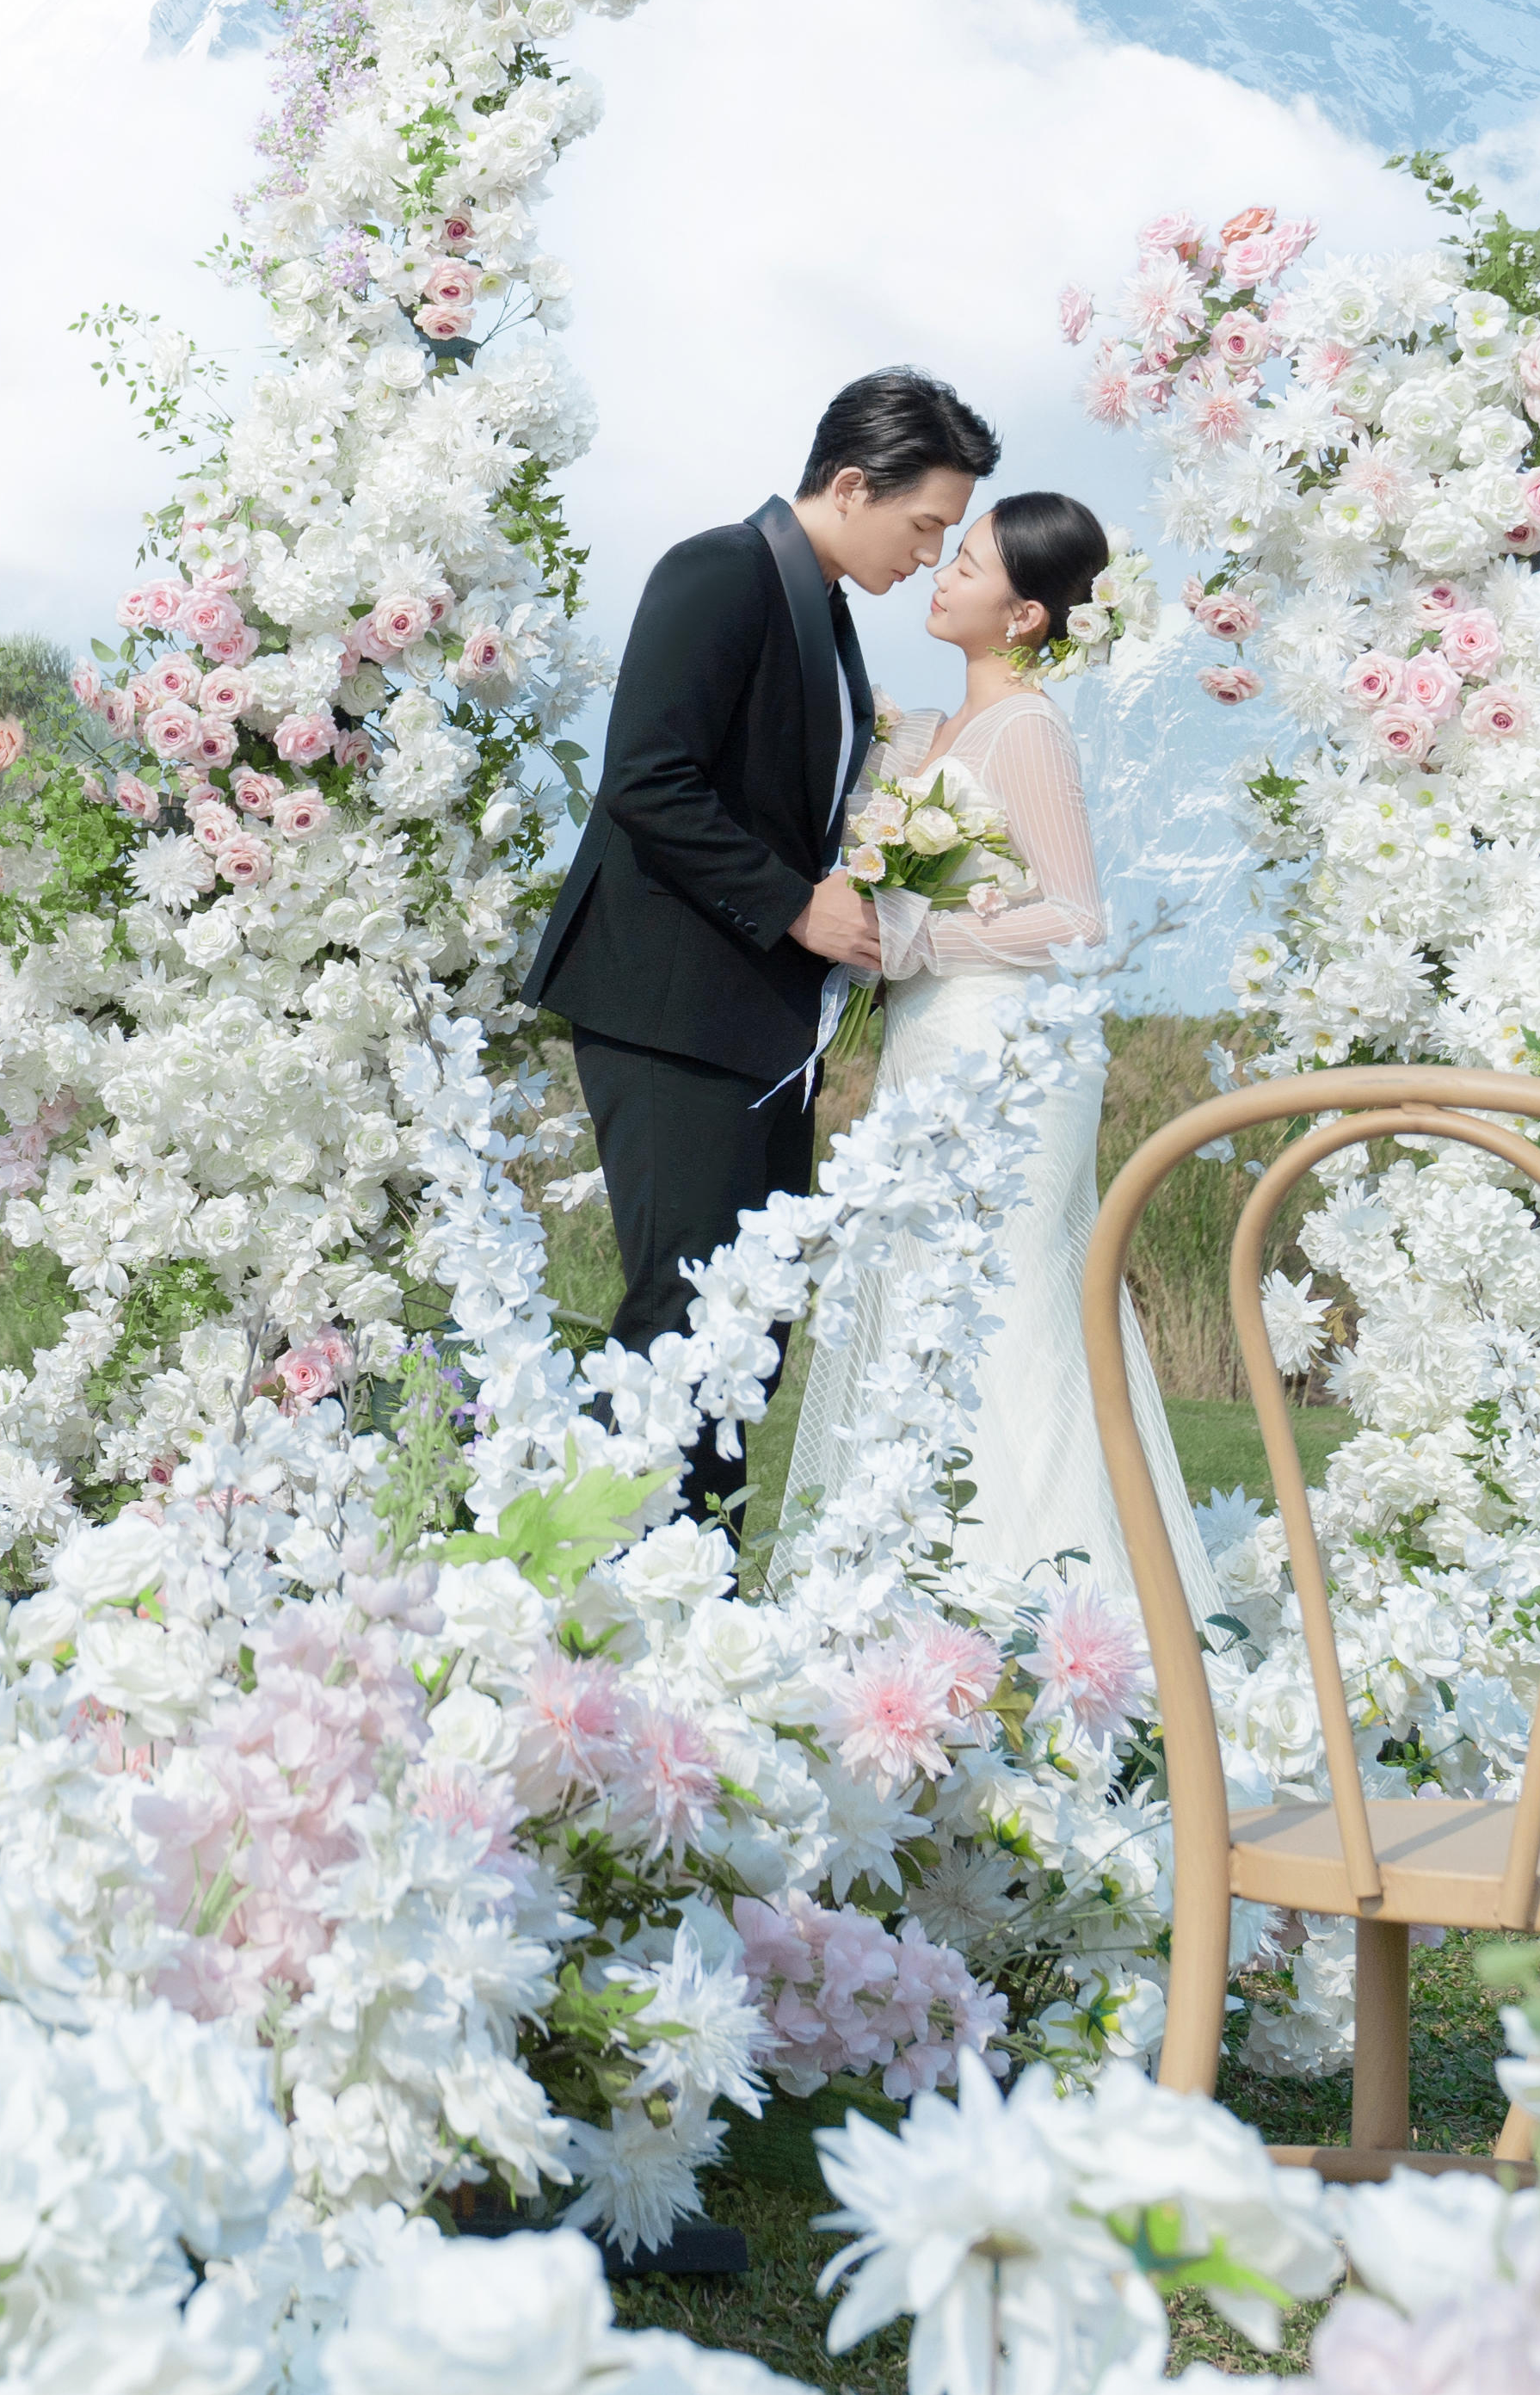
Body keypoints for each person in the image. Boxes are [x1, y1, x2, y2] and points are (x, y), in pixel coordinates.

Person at [518, 370, 995, 1523]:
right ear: (849, 483)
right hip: (669, 1009)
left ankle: (683, 1598)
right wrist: (796, 904)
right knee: (687, 1322)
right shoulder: (719, 570)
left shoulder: (825, 614)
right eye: (926, 524)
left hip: (756, 1025)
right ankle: (555, 1579)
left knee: (747, 1327)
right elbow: (645, 779)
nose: (931, 557)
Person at [778, 492, 1217, 1621]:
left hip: (1012, 1061)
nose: (943, 573)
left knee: (1014, 1313)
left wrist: (926, 933)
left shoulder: (1027, 729)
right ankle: (924, 1602)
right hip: (934, 1046)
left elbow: (1078, 918)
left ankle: (1076, 1622)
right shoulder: (934, 733)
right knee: (926, 1310)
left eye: (966, 563)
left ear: (1024, 615)